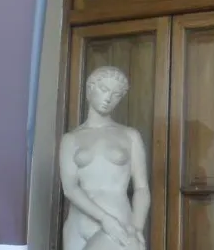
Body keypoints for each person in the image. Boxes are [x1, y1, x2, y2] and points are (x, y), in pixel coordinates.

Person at [60, 66, 150, 250]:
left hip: (117, 222)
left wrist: (137, 228)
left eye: (116, 95)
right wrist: (103, 218)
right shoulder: (71, 139)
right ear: (89, 90)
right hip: (78, 224)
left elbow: (141, 188)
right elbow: (70, 188)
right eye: (104, 89)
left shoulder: (130, 136)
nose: (108, 98)